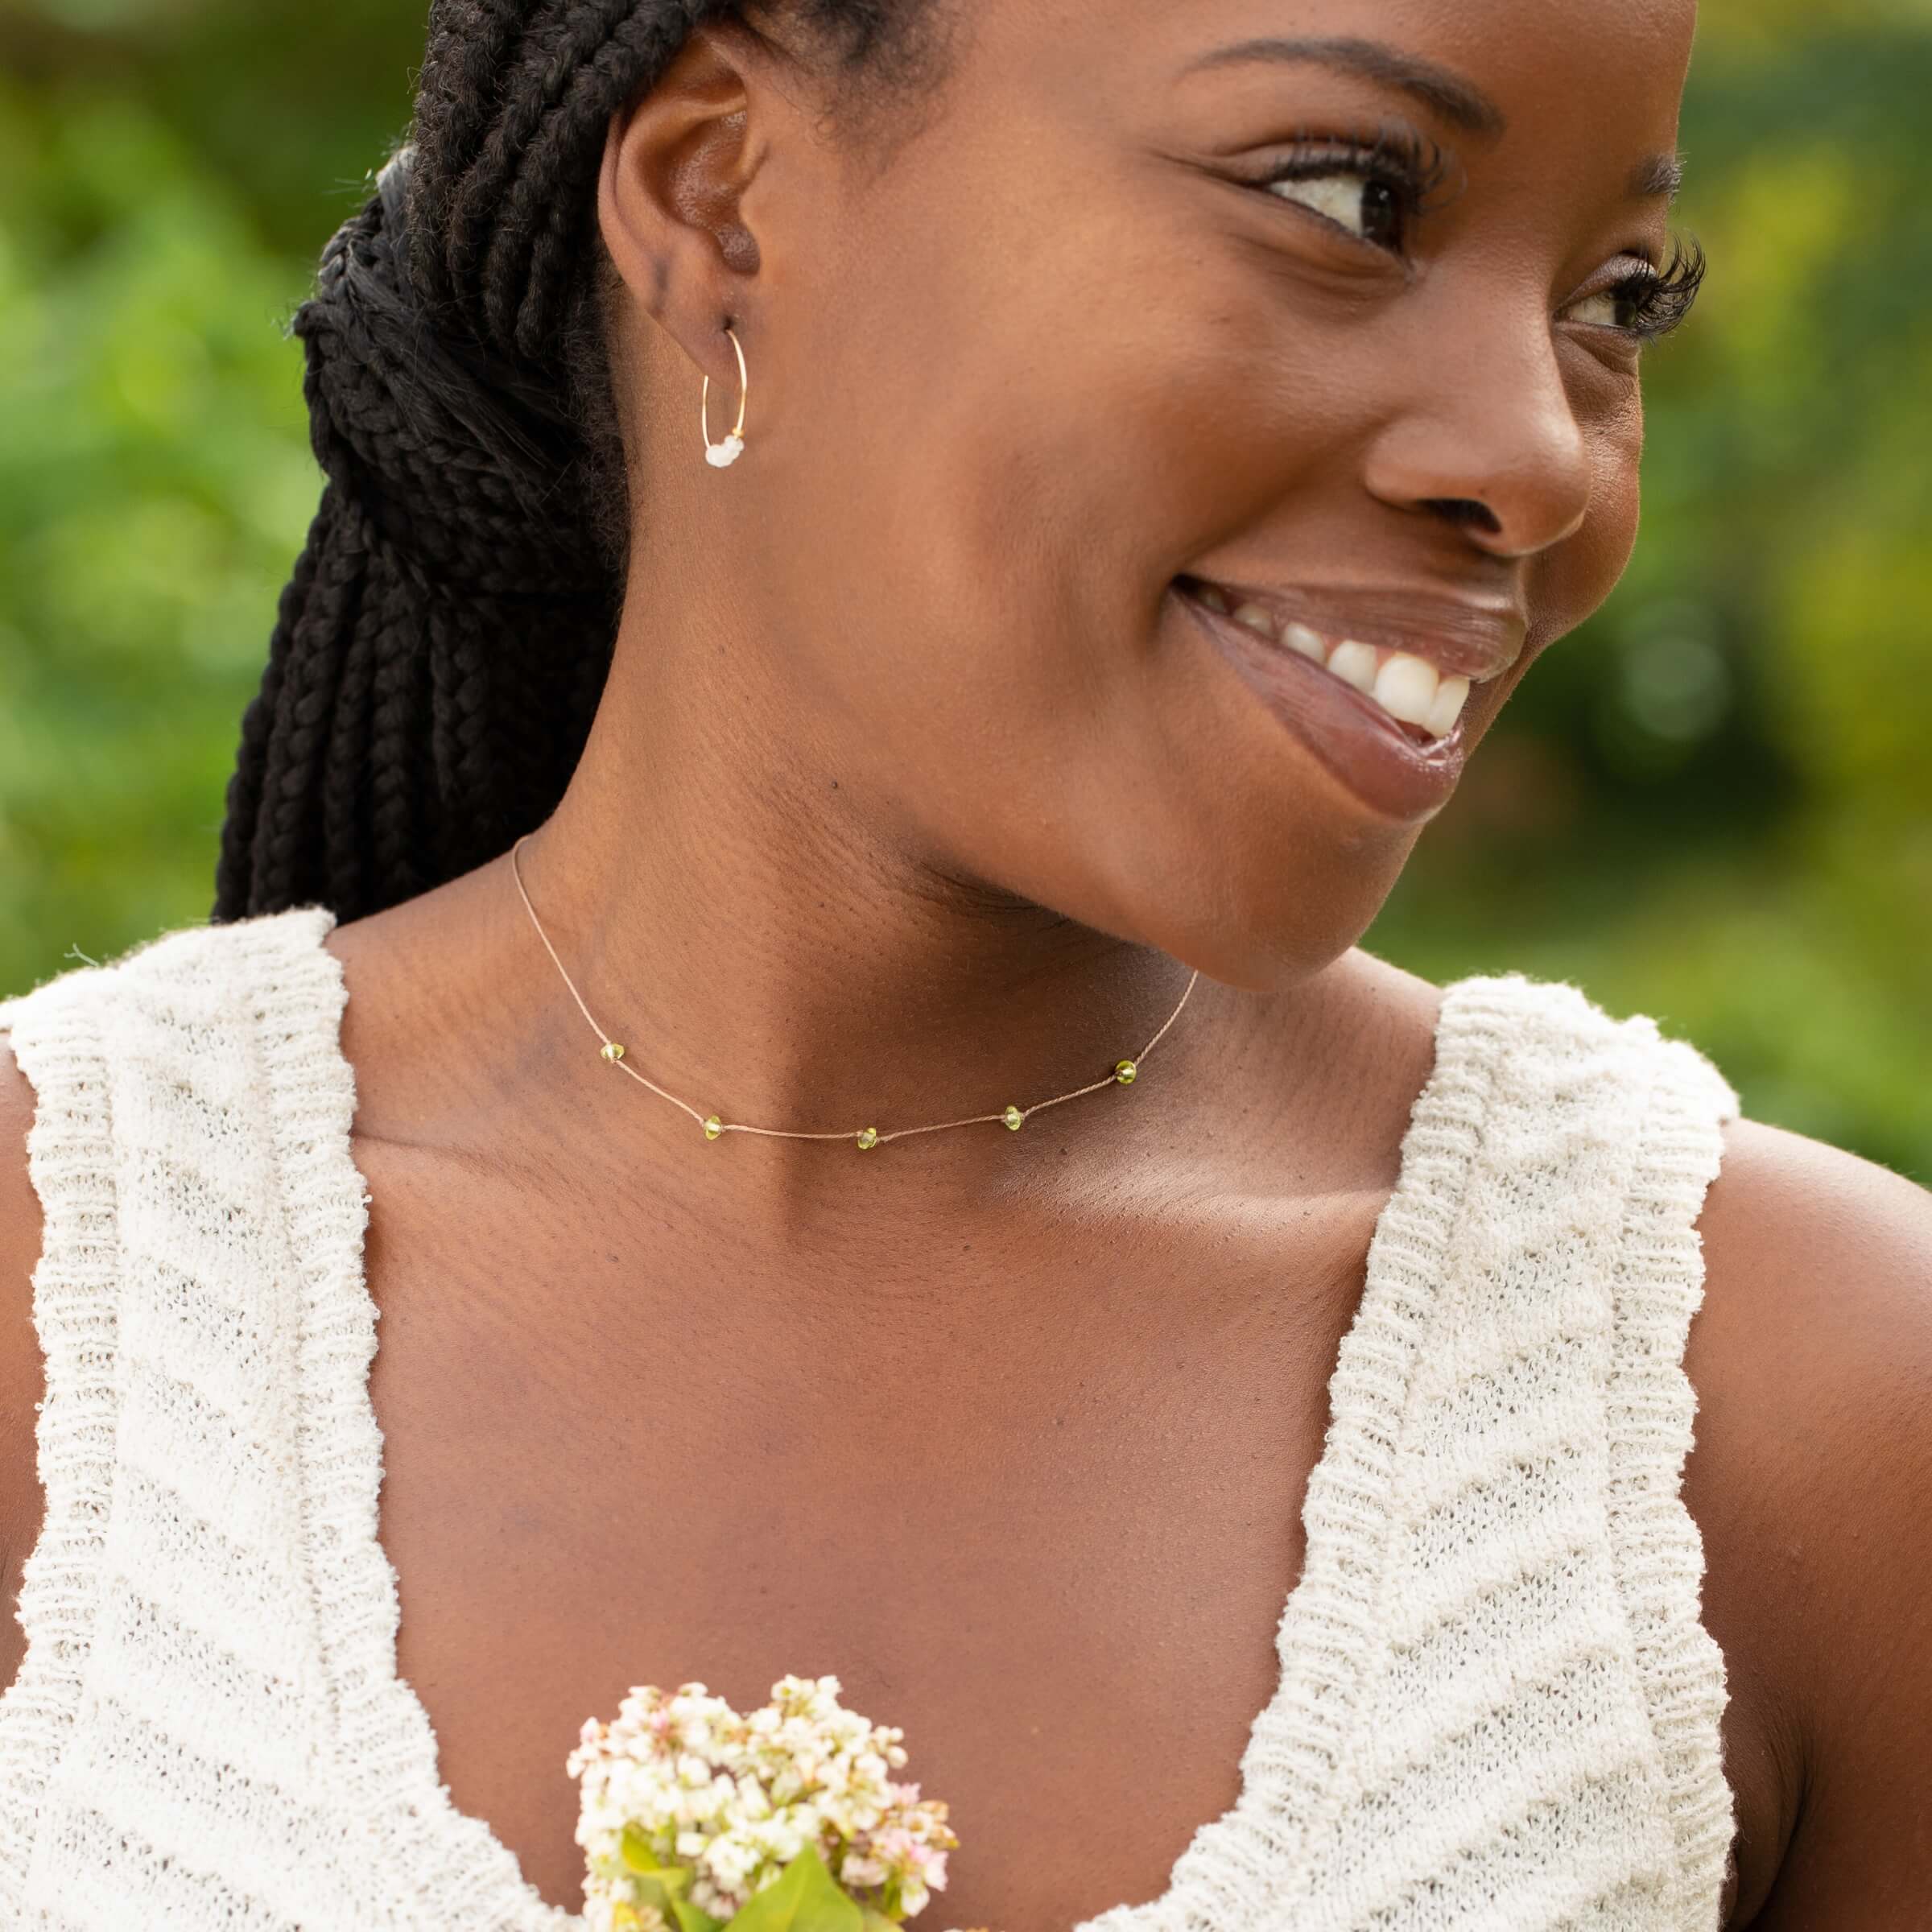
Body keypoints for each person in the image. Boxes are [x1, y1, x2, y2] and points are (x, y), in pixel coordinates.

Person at [1, 1, 1927, 1926]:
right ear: (720, 197)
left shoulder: (1793, 1432)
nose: (1541, 462)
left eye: (1618, 303)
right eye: (1346, 200)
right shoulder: (60, 1300)